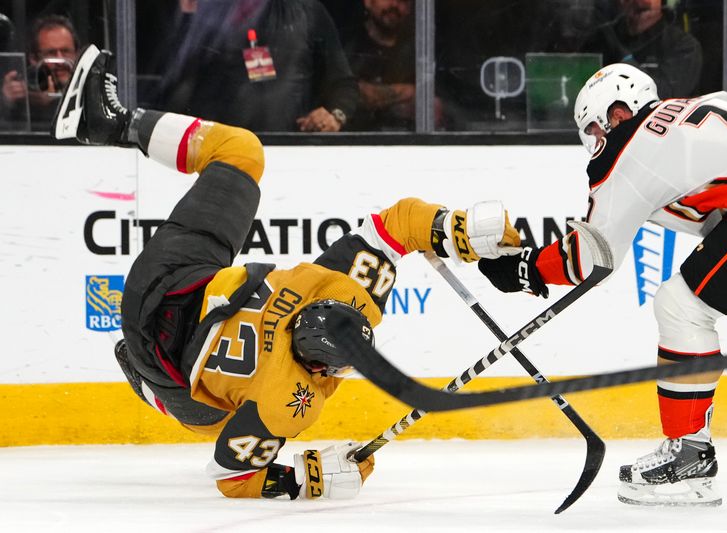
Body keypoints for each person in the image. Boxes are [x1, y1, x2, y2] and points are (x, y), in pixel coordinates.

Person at [53, 45, 521, 500]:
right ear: (319, 365)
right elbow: (230, 476)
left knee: (241, 152)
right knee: (211, 417)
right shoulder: (287, 399)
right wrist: (305, 477)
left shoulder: (332, 310)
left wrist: (457, 231)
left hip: (171, 278)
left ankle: (110, 124)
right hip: (162, 340)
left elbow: (399, 223)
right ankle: (152, 384)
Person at [478, 62, 727, 507]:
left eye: (593, 128)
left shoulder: (627, 145)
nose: (595, 141)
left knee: (680, 307)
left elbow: (587, 255)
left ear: (616, 112)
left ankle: (689, 459)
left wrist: (526, 268)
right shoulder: (697, 106)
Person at [159, 0, 358, 133]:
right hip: (219, 153)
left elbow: (342, 84)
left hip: (292, 152)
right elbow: (178, 91)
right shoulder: (208, 16)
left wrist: (335, 115)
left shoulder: (308, 12)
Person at [581, 0, 702, 98]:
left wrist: (624, 58)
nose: (638, 2)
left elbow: (667, 95)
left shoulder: (683, 45)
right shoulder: (601, 38)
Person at [343, 0, 421, 131]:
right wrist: (410, 91)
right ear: (367, 2)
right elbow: (348, 92)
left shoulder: (420, 52)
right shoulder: (346, 44)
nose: (395, 5)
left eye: (404, 1)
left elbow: (436, 101)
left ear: (410, 9)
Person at [0, 14, 79, 130]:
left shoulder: (90, 90)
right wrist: (5, 102)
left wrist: (54, 101)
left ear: (77, 54)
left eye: (66, 51)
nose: (60, 60)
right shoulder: (22, 97)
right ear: (34, 59)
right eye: (51, 53)